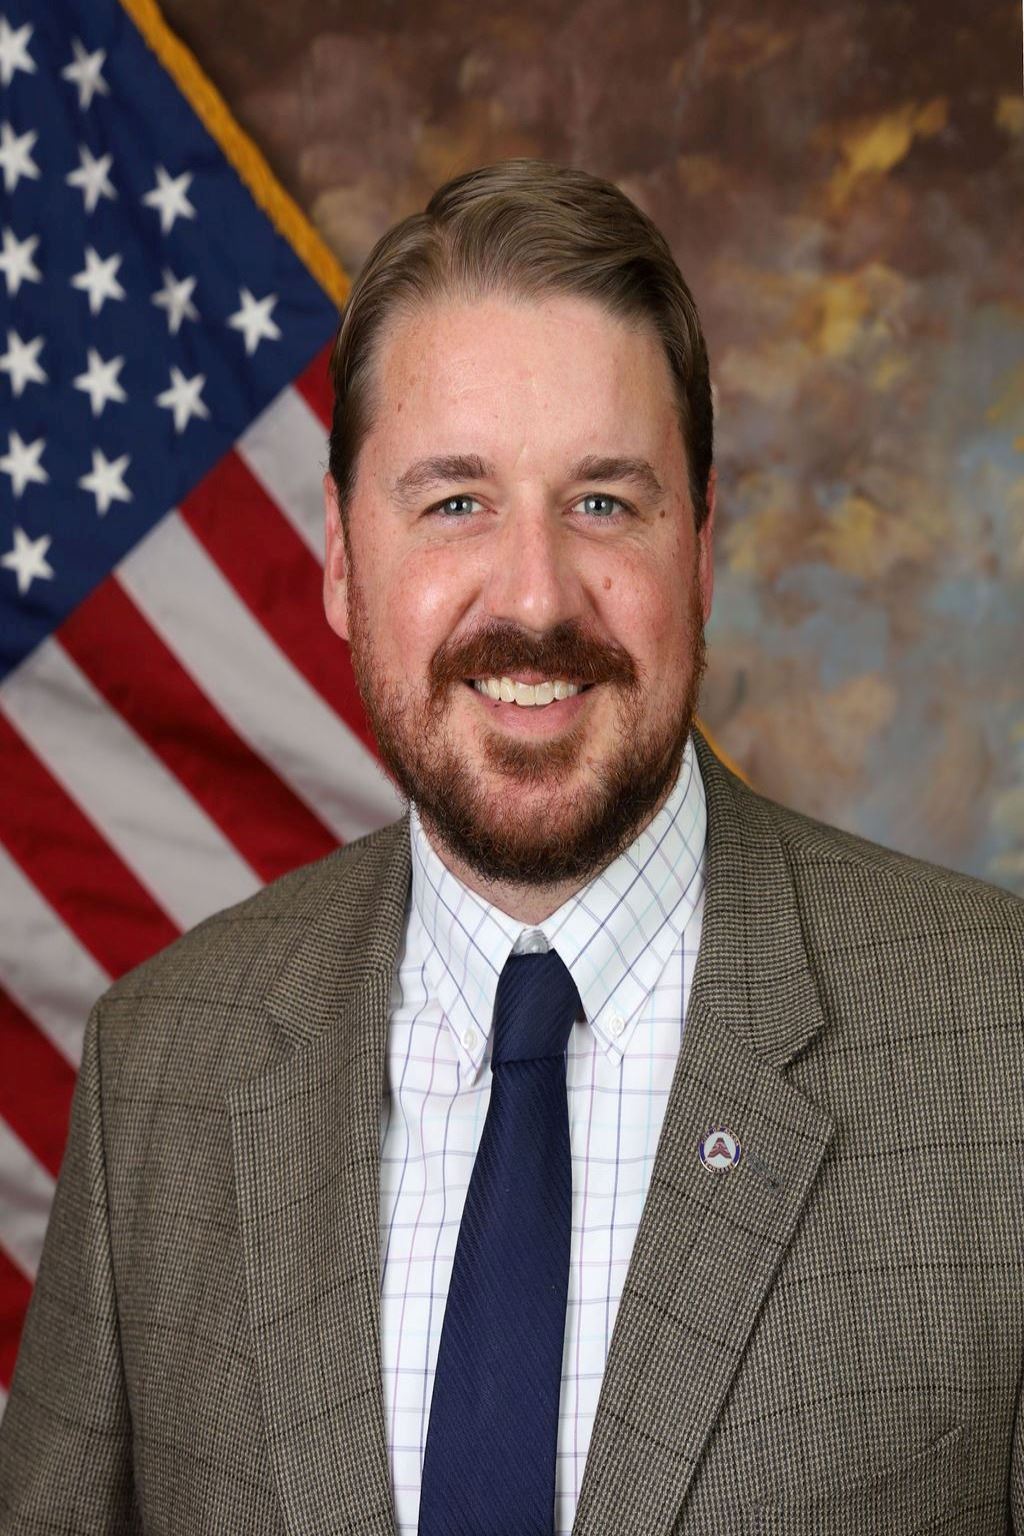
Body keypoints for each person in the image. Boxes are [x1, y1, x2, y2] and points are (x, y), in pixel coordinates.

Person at [1, 158, 1022, 1536]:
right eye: (455, 503)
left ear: (703, 549)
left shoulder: (994, 1047)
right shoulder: (164, 1068)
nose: (535, 597)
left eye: (604, 501)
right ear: (344, 562)